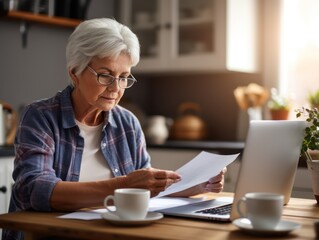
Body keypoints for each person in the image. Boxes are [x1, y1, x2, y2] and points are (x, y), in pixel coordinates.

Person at [2, 18, 226, 240]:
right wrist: (124, 185)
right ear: (74, 72)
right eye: (105, 75)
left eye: (124, 77)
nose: (116, 88)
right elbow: (33, 190)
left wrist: (196, 184)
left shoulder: (127, 123)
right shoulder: (40, 117)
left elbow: (146, 190)